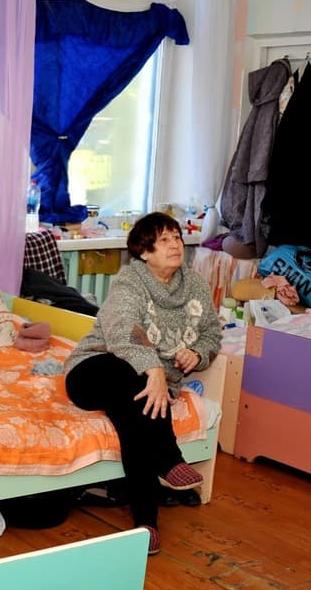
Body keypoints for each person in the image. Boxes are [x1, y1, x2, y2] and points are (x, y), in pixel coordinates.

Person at [63, 212, 222, 556]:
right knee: (132, 378)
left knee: (133, 417)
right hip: (94, 369)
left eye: (177, 237)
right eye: (164, 239)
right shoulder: (129, 281)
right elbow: (123, 331)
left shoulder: (194, 285)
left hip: (142, 387)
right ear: (144, 251)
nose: (175, 244)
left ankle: (146, 523)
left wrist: (198, 352)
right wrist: (157, 371)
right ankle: (168, 457)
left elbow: (212, 333)